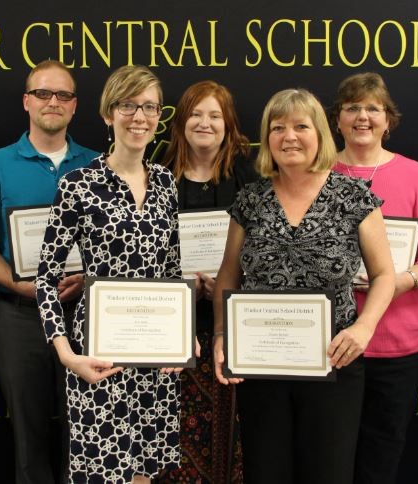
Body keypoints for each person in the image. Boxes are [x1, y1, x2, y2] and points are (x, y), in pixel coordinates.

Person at [212, 87, 395, 484]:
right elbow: (229, 273)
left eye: (300, 126)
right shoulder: (251, 199)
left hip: (333, 362)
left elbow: (383, 275)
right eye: (277, 128)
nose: (289, 136)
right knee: (266, 472)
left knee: (327, 473)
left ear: (320, 135)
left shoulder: (354, 197)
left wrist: (364, 327)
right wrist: (222, 333)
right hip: (261, 366)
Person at [35, 64, 182, 484]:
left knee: (144, 476)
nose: (140, 116)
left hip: (155, 354)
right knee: (104, 474)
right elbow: (46, 275)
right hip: (98, 355)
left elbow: (171, 269)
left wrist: (182, 335)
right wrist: (65, 354)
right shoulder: (78, 184)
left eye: (149, 106)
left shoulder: (167, 185)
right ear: (107, 113)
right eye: (128, 105)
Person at [0, 59, 98, 483]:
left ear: (75, 106)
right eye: (43, 93)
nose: (52, 102)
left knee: (87, 436)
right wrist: (21, 285)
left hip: (86, 317)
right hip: (20, 317)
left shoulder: (100, 165)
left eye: (63, 95)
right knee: (29, 435)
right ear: (27, 101)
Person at [328, 72, 418, 484]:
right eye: (352, 107)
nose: (362, 116)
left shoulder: (415, 176)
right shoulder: (316, 173)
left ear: (389, 121)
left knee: (382, 452)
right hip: (330, 341)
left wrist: (403, 279)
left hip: (400, 344)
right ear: (337, 120)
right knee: (329, 453)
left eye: (373, 108)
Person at [159, 80, 254, 483]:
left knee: (227, 439)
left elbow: (263, 251)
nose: (205, 123)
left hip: (228, 332)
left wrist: (231, 287)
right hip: (169, 333)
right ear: (181, 122)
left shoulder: (249, 180)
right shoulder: (158, 177)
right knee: (169, 439)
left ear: (228, 125)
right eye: (196, 114)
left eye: (215, 115)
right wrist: (180, 289)